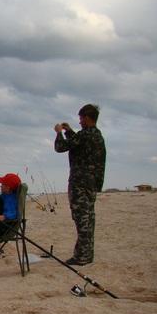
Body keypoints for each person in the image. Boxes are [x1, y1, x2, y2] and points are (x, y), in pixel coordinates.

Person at [54, 104, 106, 266]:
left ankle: (82, 257)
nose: (80, 121)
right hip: (91, 183)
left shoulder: (86, 135)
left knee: (82, 219)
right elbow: (78, 142)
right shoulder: (96, 135)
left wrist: (58, 133)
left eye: (81, 118)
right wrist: (69, 131)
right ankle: (86, 254)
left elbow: (60, 147)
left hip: (80, 183)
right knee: (88, 218)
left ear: (88, 118)